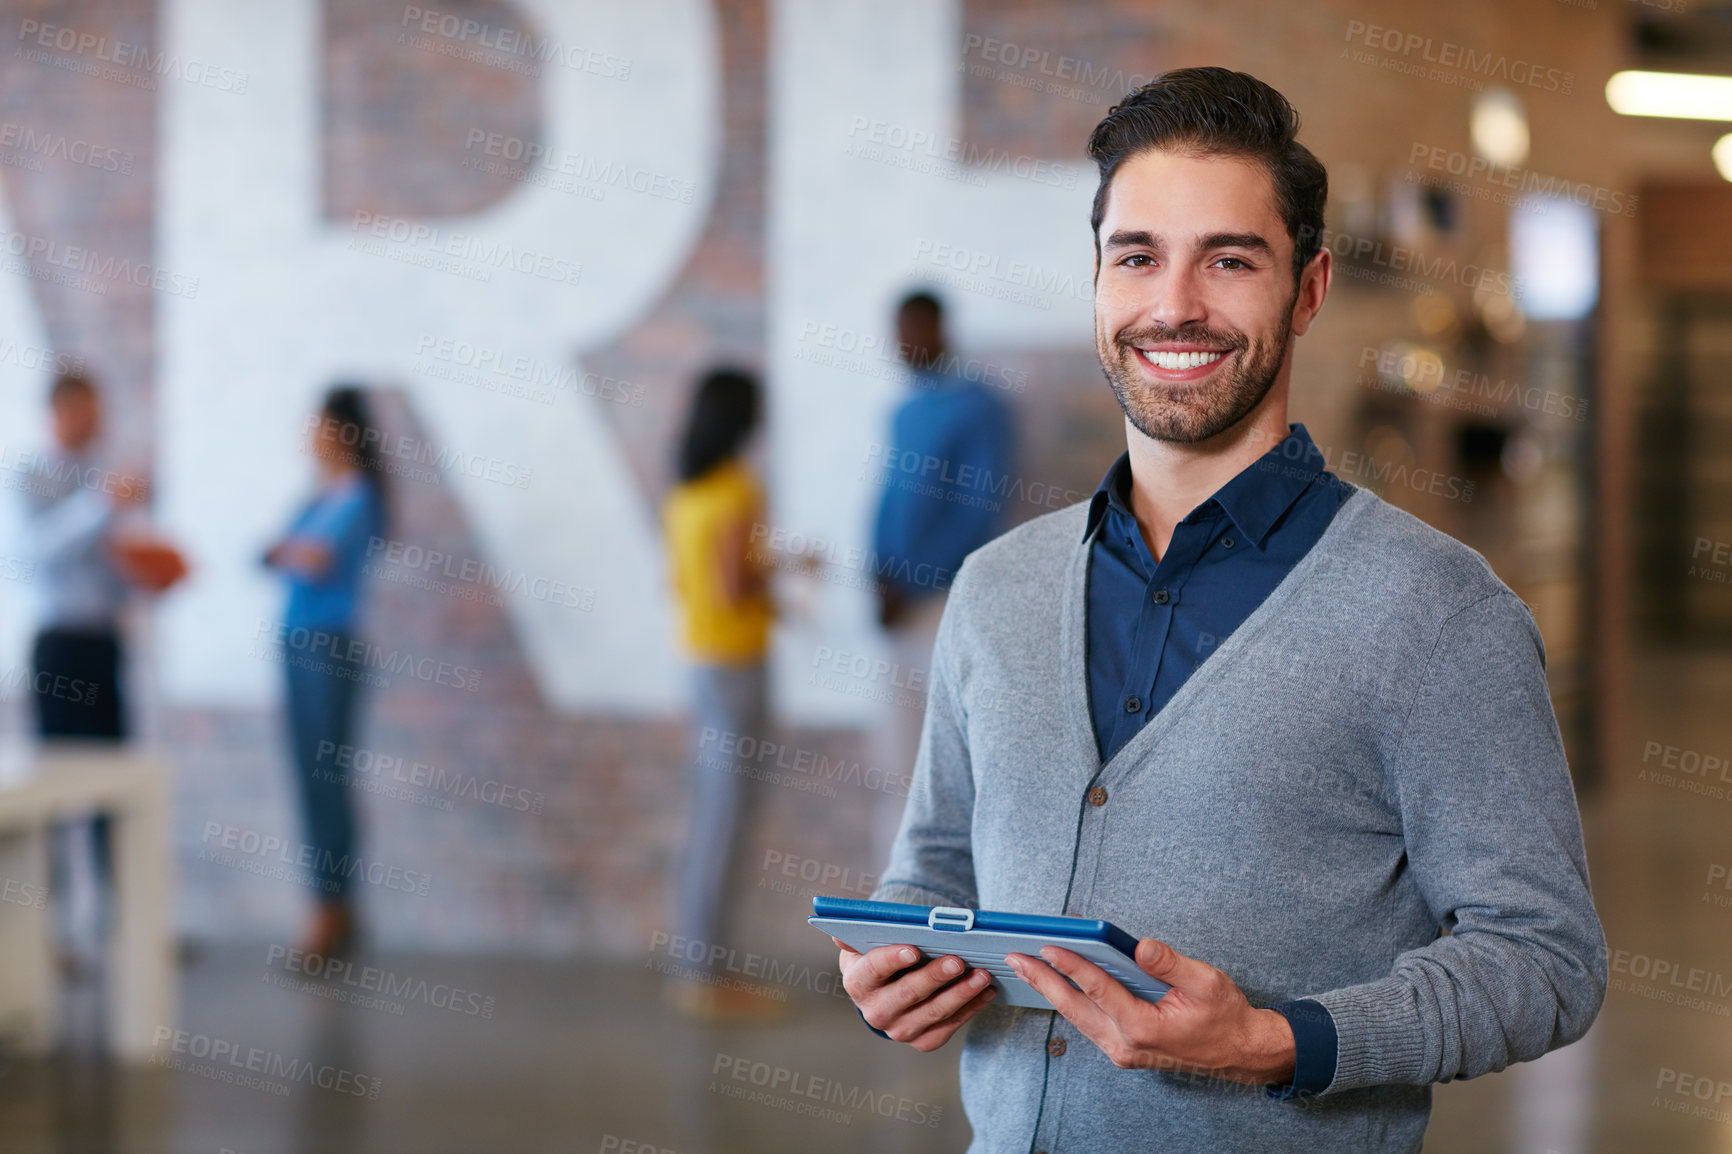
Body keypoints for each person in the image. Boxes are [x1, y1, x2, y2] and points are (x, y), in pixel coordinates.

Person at [834, 68, 1605, 1152]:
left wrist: (1280, 1038)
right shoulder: (994, 588)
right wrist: (897, 957)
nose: (1174, 304)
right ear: (1098, 280)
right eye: (1136, 255)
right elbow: (935, 862)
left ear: (1309, 288)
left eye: (1229, 260)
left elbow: (1545, 957)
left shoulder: (1438, 614)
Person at [21, 371, 183, 960]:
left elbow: (115, 567)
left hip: (103, 646)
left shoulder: (104, 479)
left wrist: (152, 574)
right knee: (53, 789)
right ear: (60, 412)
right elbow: (36, 549)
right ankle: (49, 933)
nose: (96, 425)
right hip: (57, 646)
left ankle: (123, 930)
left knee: (114, 783)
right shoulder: (31, 474)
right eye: (86, 413)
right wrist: (100, 504)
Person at [867, 292, 1013, 861]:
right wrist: (878, 581)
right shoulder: (904, 408)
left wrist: (917, 580)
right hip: (894, 609)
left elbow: (980, 509)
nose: (905, 343)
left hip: (943, 604)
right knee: (894, 762)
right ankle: (892, 920)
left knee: (948, 768)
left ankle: (950, 928)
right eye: (897, 330)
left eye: (915, 329)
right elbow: (888, 502)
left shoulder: (980, 407)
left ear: (941, 328)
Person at [661, 367, 784, 1021]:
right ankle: (704, 973)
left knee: (709, 814)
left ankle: (698, 964)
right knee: (725, 819)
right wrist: (784, 571)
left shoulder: (685, 488)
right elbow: (736, 584)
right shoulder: (738, 486)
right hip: (737, 664)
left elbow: (682, 584)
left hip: (701, 660)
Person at [263, 386, 387, 960]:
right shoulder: (319, 497)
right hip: (297, 643)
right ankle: (335, 904)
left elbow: (306, 557)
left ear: (342, 432)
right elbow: (273, 552)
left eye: (318, 426)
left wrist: (287, 550)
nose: (309, 437)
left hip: (327, 649)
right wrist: (287, 550)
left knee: (326, 780)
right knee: (313, 780)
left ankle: (329, 908)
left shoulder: (355, 494)